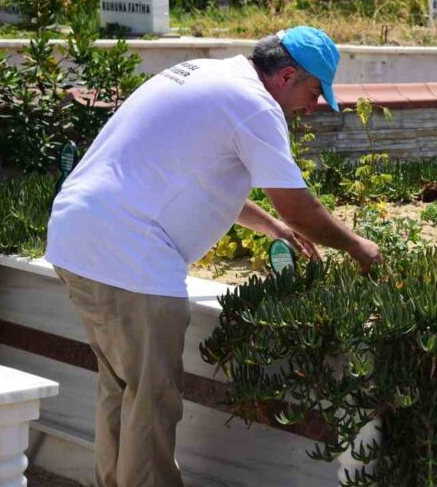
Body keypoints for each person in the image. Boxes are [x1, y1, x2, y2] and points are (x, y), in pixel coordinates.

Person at [46, 26, 382, 487]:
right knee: (152, 403)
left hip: (79, 240)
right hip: (129, 259)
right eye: (313, 90)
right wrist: (359, 248)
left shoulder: (210, 75)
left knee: (122, 391)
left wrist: (270, 226)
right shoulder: (256, 106)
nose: (314, 104)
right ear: (286, 76)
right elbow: (301, 206)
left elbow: (196, 173)